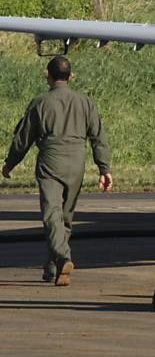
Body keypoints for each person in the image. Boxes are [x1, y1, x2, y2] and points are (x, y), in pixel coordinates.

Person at [2, 56, 112, 287]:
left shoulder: (40, 103)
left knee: (51, 215)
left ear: (47, 75)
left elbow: (23, 138)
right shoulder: (85, 102)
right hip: (77, 163)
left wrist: (9, 164)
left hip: (51, 162)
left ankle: (63, 258)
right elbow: (98, 136)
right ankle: (53, 268)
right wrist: (104, 168)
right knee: (66, 217)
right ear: (71, 76)